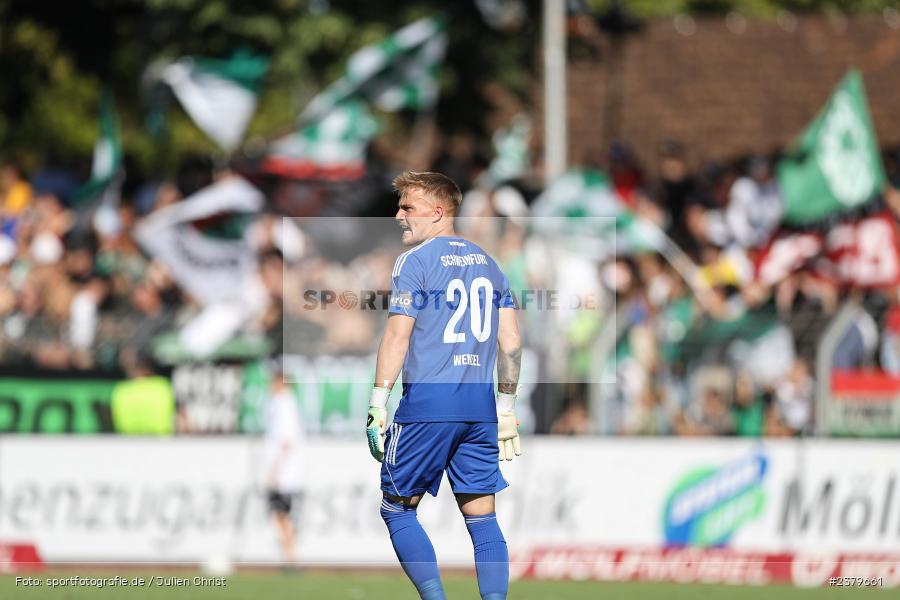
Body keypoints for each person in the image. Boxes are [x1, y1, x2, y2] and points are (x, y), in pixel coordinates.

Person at [365, 171, 522, 600]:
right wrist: (506, 406)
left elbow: (398, 335)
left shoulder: (415, 261)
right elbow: (511, 342)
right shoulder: (491, 264)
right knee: (483, 519)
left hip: (430, 402)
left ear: (438, 212)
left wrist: (378, 401)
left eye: (407, 207)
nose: (398, 215)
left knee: (396, 508)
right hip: (479, 407)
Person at [262, 359, 304, 569]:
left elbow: (286, 441)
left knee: (281, 513)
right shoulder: (283, 402)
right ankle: (290, 555)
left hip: (284, 472)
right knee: (281, 513)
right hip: (285, 470)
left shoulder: (283, 402)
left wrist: (275, 470)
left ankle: (291, 557)